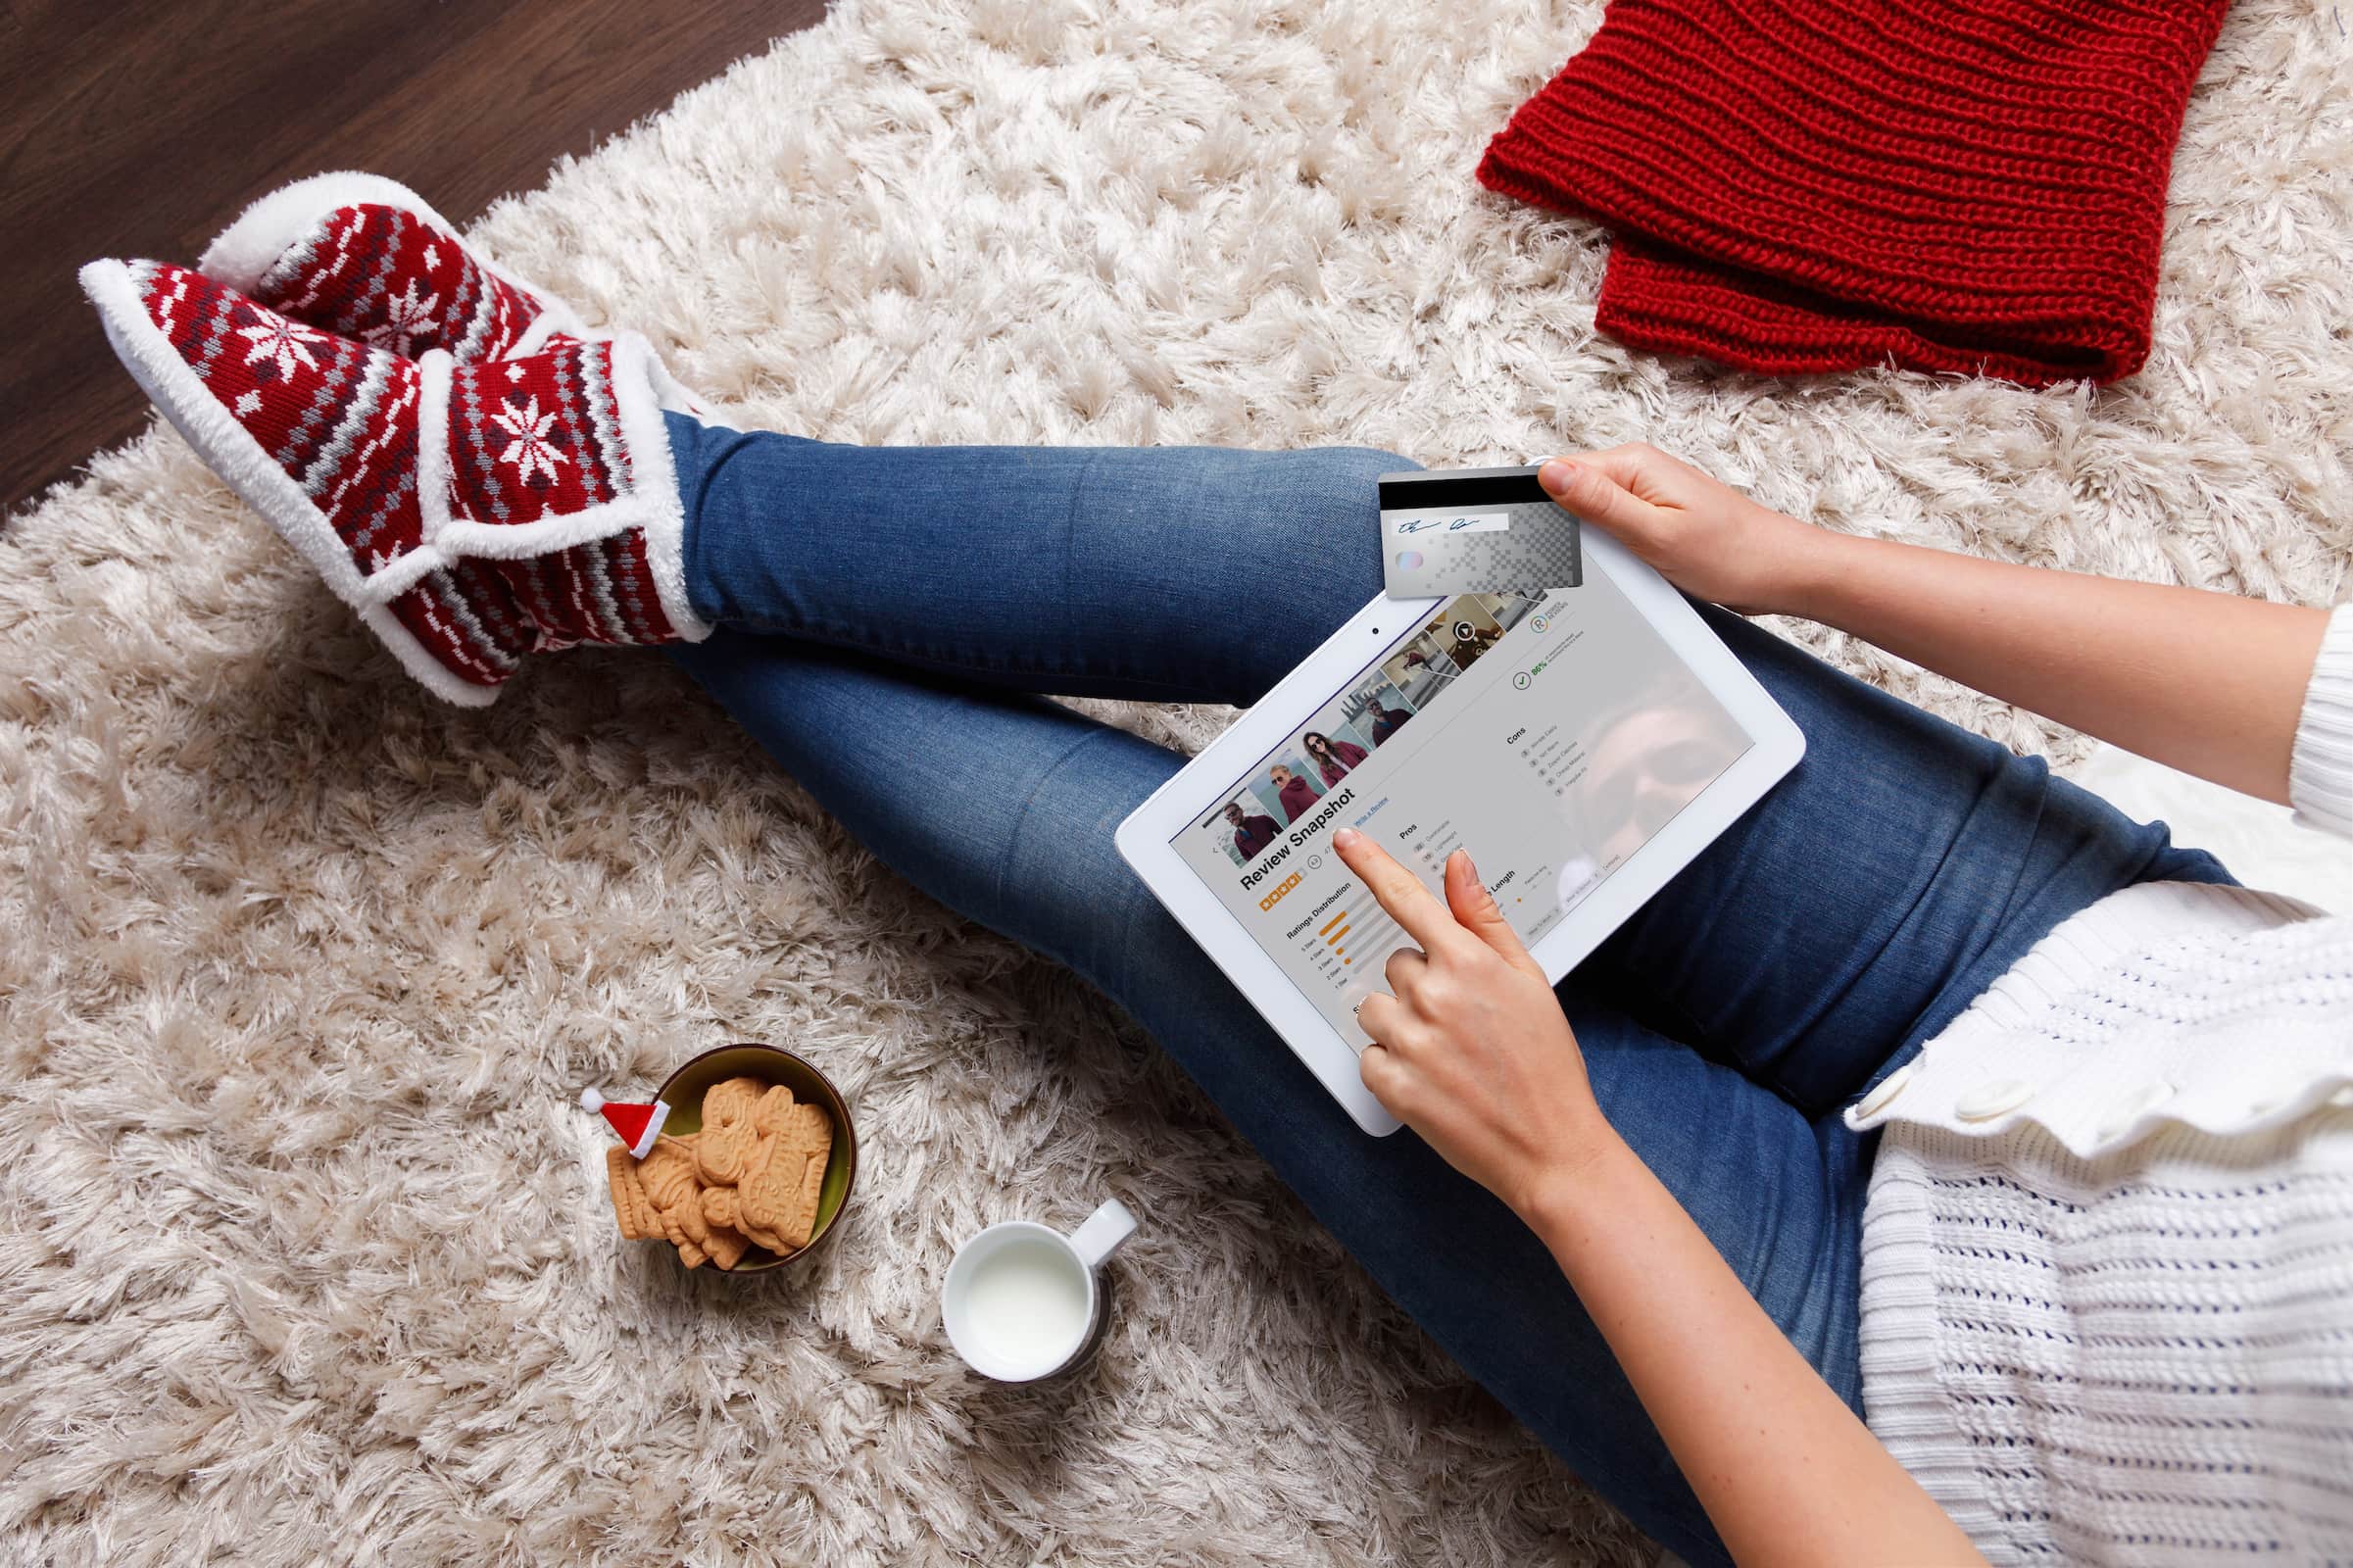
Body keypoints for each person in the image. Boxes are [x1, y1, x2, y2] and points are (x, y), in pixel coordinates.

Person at [79, 179, 2353, 1568]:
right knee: (1417, 544)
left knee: (1153, 888)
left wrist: (1569, 1168)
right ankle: (622, 499)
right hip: (2081, 955)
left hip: (1871, 1401)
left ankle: (553, 502)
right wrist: (1807, 563)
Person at [1302, 729, 1367, 786]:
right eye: (1314, 746)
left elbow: (1361, 752)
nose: (1318, 745)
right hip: (1355, 786)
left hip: (1365, 773)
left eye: (1318, 741)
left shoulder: (1341, 745)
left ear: (1322, 739)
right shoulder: (1323, 767)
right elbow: (1333, 786)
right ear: (1312, 750)